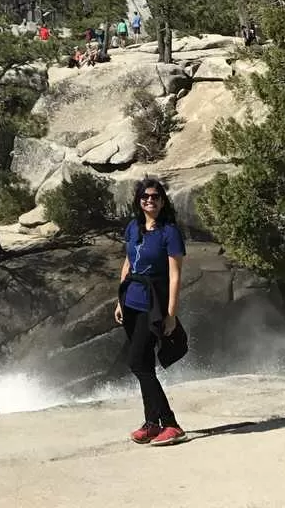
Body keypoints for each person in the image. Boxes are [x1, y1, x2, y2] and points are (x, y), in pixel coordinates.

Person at [113, 177, 188, 447]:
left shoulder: (170, 232)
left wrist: (171, 314)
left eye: (155, 196)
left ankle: (170, 424)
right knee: (144, 365)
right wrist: (120, 299)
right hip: (131, 301)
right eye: (145, 196)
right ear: (139, 200)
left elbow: (175, 276)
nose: (150, 200)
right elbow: (128, 262)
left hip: (153, 305)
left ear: (162, 200)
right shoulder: (133, 227)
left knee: (137, 364)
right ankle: (151, 423)